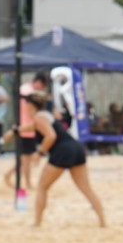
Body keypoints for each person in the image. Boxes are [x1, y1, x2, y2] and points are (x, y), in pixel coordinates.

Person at [29, 92, 105, 228]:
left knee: (42, 187)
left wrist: (39, 153)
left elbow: (51, 136)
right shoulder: (47, 115)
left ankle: (37, 223)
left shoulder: (38, 118)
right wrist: (16, 131)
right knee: (86, 188)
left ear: (29, 105)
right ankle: (103, 222)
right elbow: (31, 128)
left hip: (62, 151)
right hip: (76, 147)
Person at [3, 72, 50, 192]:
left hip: (28, 128)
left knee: (25, 159)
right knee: (26, 159)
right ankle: (27, 182)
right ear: (38, 82)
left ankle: (9, 175)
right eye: (42, 86)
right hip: (25, 128)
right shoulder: (26, 91)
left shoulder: (26, 90)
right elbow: (29, 107)